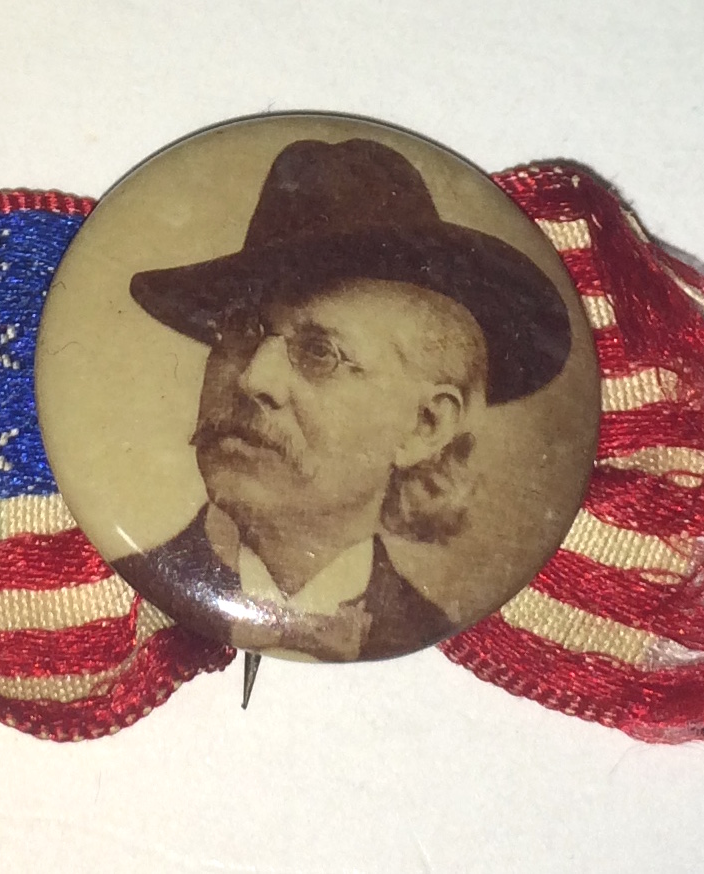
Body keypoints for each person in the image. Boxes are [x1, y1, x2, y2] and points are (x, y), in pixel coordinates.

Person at [112, 137, 571, 661]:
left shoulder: (437, 642)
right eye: (241, 330)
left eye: (319, 353)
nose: (254, 378)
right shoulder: (118, 600)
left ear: (426, 425)